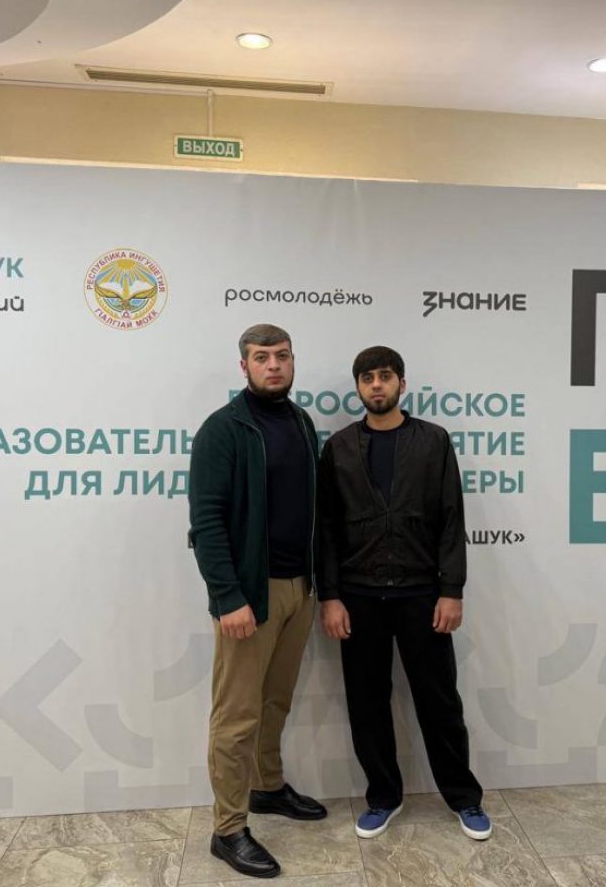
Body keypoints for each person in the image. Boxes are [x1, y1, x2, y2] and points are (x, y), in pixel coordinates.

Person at [318, 346, 491, 841]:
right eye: (367, 378)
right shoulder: (339, 448)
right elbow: (326, 529)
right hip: (358, 597)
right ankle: (383, 797)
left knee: (440, 702)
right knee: (367, 704)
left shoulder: (433, 441)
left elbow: (451, 518)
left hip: (422, 595)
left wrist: (451, 590)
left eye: (385, 376)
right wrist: (330, 596)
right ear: (358, 387)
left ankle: (464, 797)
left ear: (401, 384)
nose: (377, 385)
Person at [189, 323, 326, 879]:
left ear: (293, 361)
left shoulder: (302, 423)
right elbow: (206, 522)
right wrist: (228, 597)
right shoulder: (223, 429)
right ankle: (227, 829)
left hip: (301, 589)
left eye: (282, 356)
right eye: (262, 357)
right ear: (243, 365)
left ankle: (267, 787)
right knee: (236, 716)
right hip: (251, 593)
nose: (274, 365)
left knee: (275, 701)